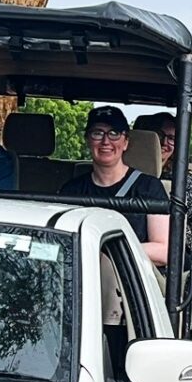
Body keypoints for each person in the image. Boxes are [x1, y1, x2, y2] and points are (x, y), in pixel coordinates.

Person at [60, 105, 171, 267]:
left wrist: (105, 250)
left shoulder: (149, 187)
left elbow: (163, 251)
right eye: (97, 133)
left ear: (125, 142)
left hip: (134, 282)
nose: (106, 141)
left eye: (114, 134)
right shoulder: (71, 190)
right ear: (87, 140)